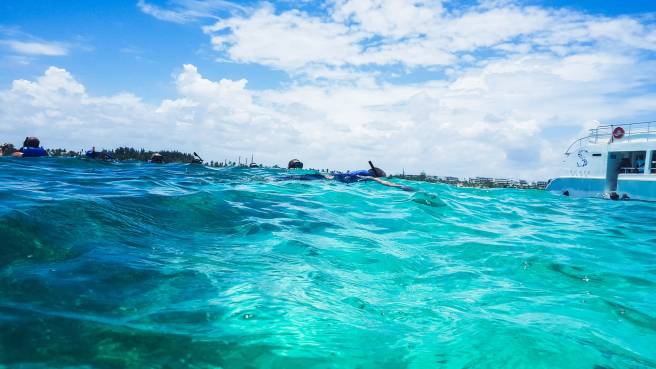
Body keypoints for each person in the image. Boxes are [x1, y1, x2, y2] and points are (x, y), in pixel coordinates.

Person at [283, 160, 414, 191]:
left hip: (330, 177)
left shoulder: (361, 172)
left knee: (296, 178)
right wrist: (400, 186)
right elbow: (383, 182)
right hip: (332, 179)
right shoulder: (368, 176)